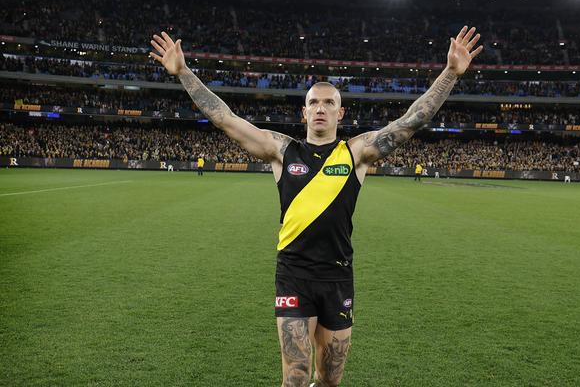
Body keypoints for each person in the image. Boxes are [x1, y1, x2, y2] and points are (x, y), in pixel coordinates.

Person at [149, 26, 483, 387]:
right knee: (295, 376)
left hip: (337, 276)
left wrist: (450, 73)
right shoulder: (281, 150)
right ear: (304, 113)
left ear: (341, 113)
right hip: (293, 272)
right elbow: (224, 118)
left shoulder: (356, 153)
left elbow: (411, 121)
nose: (320, 108)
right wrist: (183, 72)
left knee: (329, 380)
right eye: (313, 103)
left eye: (328, 103)